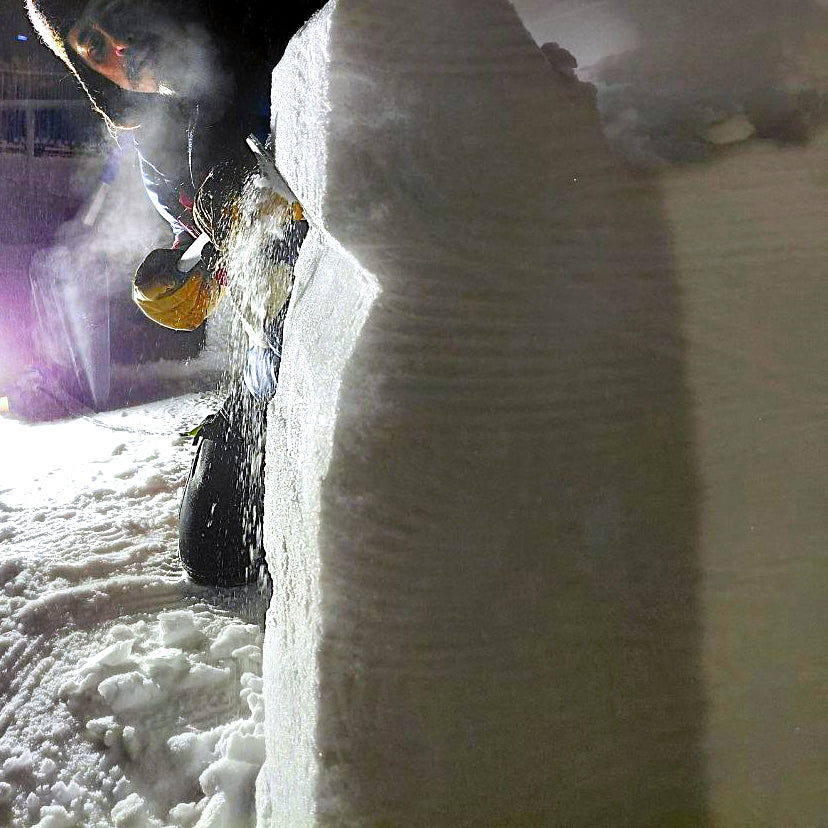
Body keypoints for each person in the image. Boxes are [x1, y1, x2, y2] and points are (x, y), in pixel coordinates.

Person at [25, 0, 325, 586]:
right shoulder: (159, 153)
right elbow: (210, 238)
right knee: (214, 548)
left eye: (120, 14)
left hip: (346, 331)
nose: (122, 48)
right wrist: (186, 276)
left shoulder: (284, 50)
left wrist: (283, 194)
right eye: (93, 45)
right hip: (274, 356)